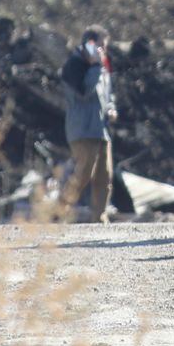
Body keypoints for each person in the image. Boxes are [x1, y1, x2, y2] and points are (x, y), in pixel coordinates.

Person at [60, 26, 119, 223]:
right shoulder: (73, 66)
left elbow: (108, 93)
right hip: (82, 129)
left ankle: (99, 216)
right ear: (90, 45)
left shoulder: (102, 67)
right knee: (84, 172)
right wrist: (94, 67)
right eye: (100, 45)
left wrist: (111, 108)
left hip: (101, 129)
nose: (104, 50)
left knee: (105, 175)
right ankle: (62, 208)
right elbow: (84, 91)